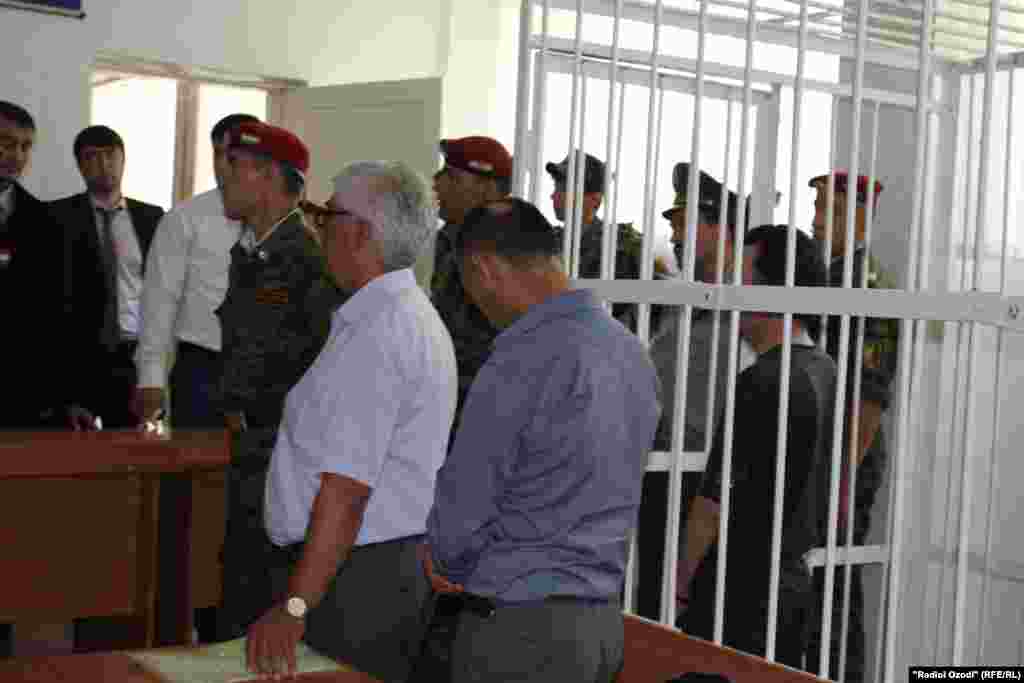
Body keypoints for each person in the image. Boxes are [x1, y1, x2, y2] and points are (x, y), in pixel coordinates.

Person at [424, 198, 661, 682]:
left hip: (519, 631)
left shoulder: (520, 359)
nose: (476, 306)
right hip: (599, 625)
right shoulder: (630, 352)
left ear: (483, 270)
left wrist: (444, 558)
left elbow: (467, 506)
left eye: (469, 289)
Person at [247, 160, 456, 682]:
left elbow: (345, 491)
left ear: (361, 232)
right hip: (365, 570)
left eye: (328, 215)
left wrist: (296, 605)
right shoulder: (402, 315)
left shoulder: (380, 333)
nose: (318, 228)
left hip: (353, 582)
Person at [677, 225, 835, 669]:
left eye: (742, 279)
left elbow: (712, 504)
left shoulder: (762, 380)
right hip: (792, 588)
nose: (732, 291)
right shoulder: (826, 371)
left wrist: (682, 583)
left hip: (738, 592)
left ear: (773, 291)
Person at [215, 121, 343, 641]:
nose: (223, 176)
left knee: (263, 603)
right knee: (239, 597)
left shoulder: (306, 259)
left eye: (235, 166)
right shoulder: (253, 251)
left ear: (269, 176)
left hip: (282, 453)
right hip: (250, 449)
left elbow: (317, 370)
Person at [637, 163, 754, 621]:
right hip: (661, 472)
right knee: (652, 605)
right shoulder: (680, 298)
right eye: (672, 225)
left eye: (684, 224)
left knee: (696, 611)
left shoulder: (747, 304)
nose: (675, 236)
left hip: (708, 482)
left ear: (719, 228)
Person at [805, 171, 899, 683]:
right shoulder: (827, 277)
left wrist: (839, 482)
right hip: (821, 451)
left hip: (846, 456)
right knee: (813, 585)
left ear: (862, 219)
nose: (818, 220)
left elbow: (869, 399)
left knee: (835, 586)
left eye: (832, 210)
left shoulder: (868, 286)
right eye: (817, 207)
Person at [133, 113, 259, 428]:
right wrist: (151, 378)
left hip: (265, 369)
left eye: (233, 156)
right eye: (218, 154)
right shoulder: (184, 218)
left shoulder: (282, 219)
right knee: (196, 458)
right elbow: (159, 301)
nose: (223, 165)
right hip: (203, 369)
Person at [50, 125, 165, 429]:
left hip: (133, 353)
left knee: (133, 444)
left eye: (111, 156)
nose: (104, 165)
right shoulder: (56, 217)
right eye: (92, 157)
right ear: (79, 165)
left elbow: (163, 290)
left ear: (123, 159)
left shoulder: (152, 218)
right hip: (79, 356)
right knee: (71, 449)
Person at [430, 135, 512, 436]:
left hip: (483, 410)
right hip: (446, 403)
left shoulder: (502, 247)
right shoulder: (450, 240)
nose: (437, 182)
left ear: (487, 189)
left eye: (451, 176)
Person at [0, 101, 70, 430]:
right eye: (6, 143)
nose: (17, 155)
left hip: (23, 397)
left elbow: (56, 313)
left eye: (25, 146)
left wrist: (66, 396)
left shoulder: (45, 220)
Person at [545, 149, 670, 333]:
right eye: (556, 188)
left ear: (594, 200)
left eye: (564, 189)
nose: (554, 195)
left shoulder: (624, 244)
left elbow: (660, 299)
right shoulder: (546, 242)